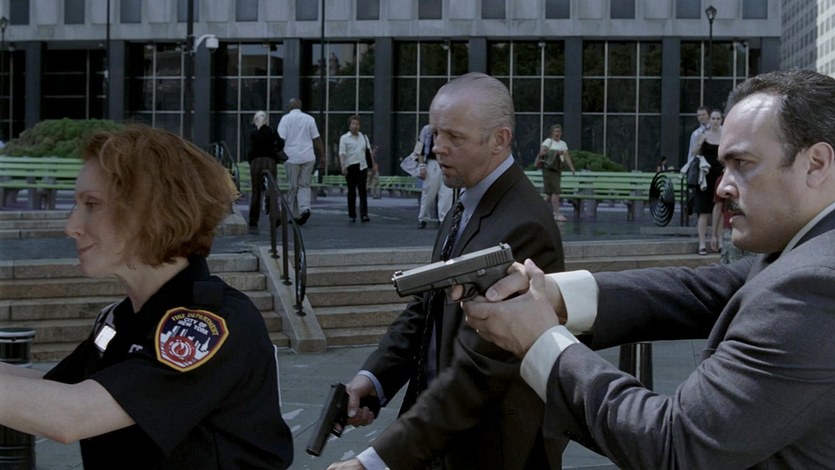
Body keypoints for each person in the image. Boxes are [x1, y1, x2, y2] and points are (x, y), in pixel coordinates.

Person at [462, 69, 835, 468]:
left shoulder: (813, 285)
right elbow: (695, 291)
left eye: (742, 163)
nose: (722, 187)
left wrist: (541, 342)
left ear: (815, 164)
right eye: (724, 166)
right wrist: (552, 294)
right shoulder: (807, 252)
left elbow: (676, 446)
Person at [0, 125, 293, 468]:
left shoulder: (208, 327)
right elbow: (57, 390)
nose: (71, 226)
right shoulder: (123, 317)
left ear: (151, 212)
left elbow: (71, 415)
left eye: (91, 204)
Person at [327, 73, 567, 470]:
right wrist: (374, 378)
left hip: (490, 449)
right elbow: (428, 307)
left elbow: (482, 370)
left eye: (454, 136)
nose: (438, 147)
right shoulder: (467, 202)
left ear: (499, 139)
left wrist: (374, 461)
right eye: (435, 133)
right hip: (444, 437)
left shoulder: (523, 227)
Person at [277, 98, 324, 226]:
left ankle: (293, 214)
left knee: (293, 186)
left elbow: (281, 139)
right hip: (308, 156)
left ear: (289, 106)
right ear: (300, 106)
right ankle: (304, 209)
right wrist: (322, 156)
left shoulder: (285, 119)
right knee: (304, 185)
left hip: (291, 157)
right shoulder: (309, 119)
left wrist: (278, 154)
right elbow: (317, 139)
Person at [691, 109, 723, 255]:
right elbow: (693, 153)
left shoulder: (725, 136)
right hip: (704, 177)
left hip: (719, 176)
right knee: (703, 211)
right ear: (710, 120)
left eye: (718, 119)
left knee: (719, 209)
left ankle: (719, 241)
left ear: (721, 120)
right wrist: (700, 143)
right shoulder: (703, 135)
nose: (715, 121)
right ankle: (702, 244)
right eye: (713, 119)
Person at [247, 110, 283, 228]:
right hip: (270, 161)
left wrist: (250, 160)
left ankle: (253, 219)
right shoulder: (272, 131)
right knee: (272, 189)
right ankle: (276, 216)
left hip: (256, 161)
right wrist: (274, 149)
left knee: (256, 190)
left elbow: (250, 148)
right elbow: (281, 143)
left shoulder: (253, 133)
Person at [535, 124, 576, 221]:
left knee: (549, 195)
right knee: (555, 191)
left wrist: (571, 167)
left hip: (557, 169)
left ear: (561, 133)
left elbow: (566, 156)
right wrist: (555, 152)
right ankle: (557, 213)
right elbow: (542, 152)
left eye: (559, 132)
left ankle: (537, 211)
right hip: (549, 169)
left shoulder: (563, 144)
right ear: (552, 133)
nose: (557, 133)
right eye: (555, 131)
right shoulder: (548, 141)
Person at [416, 123, 453, 229]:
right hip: (432, 163)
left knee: (447, 193)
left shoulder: (449, 128)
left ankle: (444, 219)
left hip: (446, 161)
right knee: (429, 192)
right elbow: (419, 149)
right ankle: (423, 218)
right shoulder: (426, 130)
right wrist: (421, 166)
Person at [338, 115, 371, 223]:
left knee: (363, 191)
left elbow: (368, 152)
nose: (355, 126)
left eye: (357, 124)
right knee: (351, 191)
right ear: (349, 125)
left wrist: (372, 166)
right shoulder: (344, 138)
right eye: (353, 124)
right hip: (351, 166)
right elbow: (342, 153)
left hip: (362, 166)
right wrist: (343, 165)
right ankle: (352, 214)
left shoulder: (364, 137)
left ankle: (364, 214)